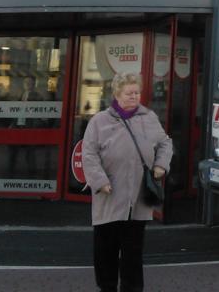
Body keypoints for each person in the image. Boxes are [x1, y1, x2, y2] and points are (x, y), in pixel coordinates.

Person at [82, 73, 173, 292]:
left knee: (133, 253)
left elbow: (165, 143)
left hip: (138, 200)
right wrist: (100, 181)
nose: (134, 97)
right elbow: (89, 154)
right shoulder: (100, 121)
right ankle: (107, 287)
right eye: (129, 93)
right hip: (109, 197)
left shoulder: (148, 118)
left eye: (137, 92)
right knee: (106, 251)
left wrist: (161, 165)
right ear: (116, 94)